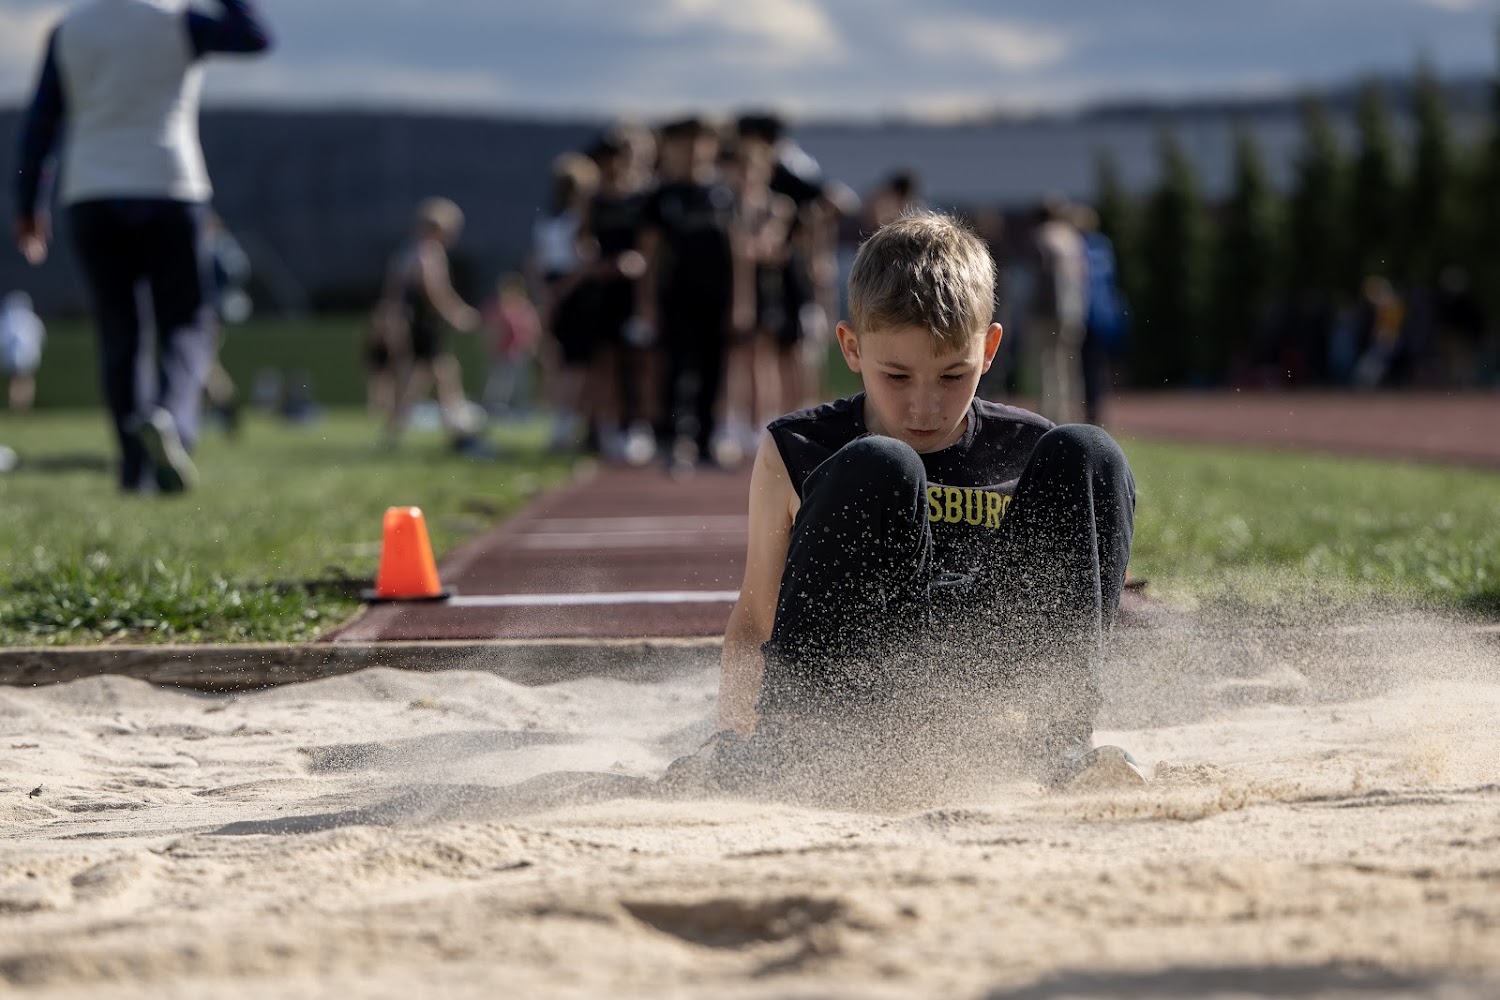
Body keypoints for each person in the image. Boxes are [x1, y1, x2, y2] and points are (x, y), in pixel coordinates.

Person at [699, 211, 1141, 800]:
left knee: (1088, 450)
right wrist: (732, 736)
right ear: (851, 348)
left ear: (989, 349)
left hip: (984, 677)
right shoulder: (798, 446)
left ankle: (1059, 743)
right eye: (898, 377)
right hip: (859, 689)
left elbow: (1075, 588)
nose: (926, 407)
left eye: (953, 376)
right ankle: (792, 745)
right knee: (880, 460)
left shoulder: (1025, 446)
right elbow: (758, 615)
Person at [13, 0, 272, 493]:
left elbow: (41, 124)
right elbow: (255, 36)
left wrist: (28, 205)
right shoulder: (179, 21)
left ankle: (135, 467)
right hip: (168, 185)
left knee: (121, 330)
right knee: (187, 320)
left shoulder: (69, 30)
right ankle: (170, 419)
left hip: (90, 193)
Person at [636, 116, 748, 473]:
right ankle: (673, 439)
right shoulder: (661, 196)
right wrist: (646, 302)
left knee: (713, 369)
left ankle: (706, 439)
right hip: (675, 297)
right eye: (685, 144)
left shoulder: (723, 195)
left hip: (716, 298)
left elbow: (737, 251)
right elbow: (650, 255)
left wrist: (742, 300)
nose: (693, 152)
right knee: (675, 369)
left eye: (700, 144)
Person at [380, 197, 483, 450]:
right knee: (443, 372)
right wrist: (457, 313)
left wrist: (392, 316)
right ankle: (457, 431)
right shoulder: (429, 252)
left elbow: (393, 293)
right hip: (424, 323)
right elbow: (435, 290)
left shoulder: (406, 252)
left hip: (412, 321)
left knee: (429, 374)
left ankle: (398, 428)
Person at [530, 152, 600, 453]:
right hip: (572, 292)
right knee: (575, 363)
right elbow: (584, 260)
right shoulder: (576, 220)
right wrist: (559, 291)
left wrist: (545, 294)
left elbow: (536, 262)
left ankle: (568, 424)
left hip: (556, 289)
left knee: (565, 362)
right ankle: (564, 426)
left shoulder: (547, 220)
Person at [1030, 195, 1089, 426]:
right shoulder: (1073, 239)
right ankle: (1070, 412)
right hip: (1072, 310)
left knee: (1046, 364)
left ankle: (1047, 415)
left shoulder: (1041, 237)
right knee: (1069, 364)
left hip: (1045, 309)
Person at [1074, 205, 1129, 426]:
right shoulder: (1104, 246)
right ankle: (1097, 411)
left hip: (1086, 314)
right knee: (1100, 365)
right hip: (1106, 314)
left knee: (1085, 366)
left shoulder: (1078, 248)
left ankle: (1090, 412)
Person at [480, 272, 542, 419]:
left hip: (520, 354)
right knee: (498, 385)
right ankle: (495, 411)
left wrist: (532, 347)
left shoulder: (525, 308)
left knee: (520, 384)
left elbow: (533, 329)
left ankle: (519, 412)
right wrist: (490, 349)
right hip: (501, 354)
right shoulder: (497, 308)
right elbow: (490, 332)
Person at [0, 291, 46, 412]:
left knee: (16, 381)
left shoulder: (7, 320)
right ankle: (23, 406)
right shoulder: (33, 319)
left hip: (14, 357)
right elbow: (41, 336)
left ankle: (17, 406)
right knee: (25, 380)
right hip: (28, 356)